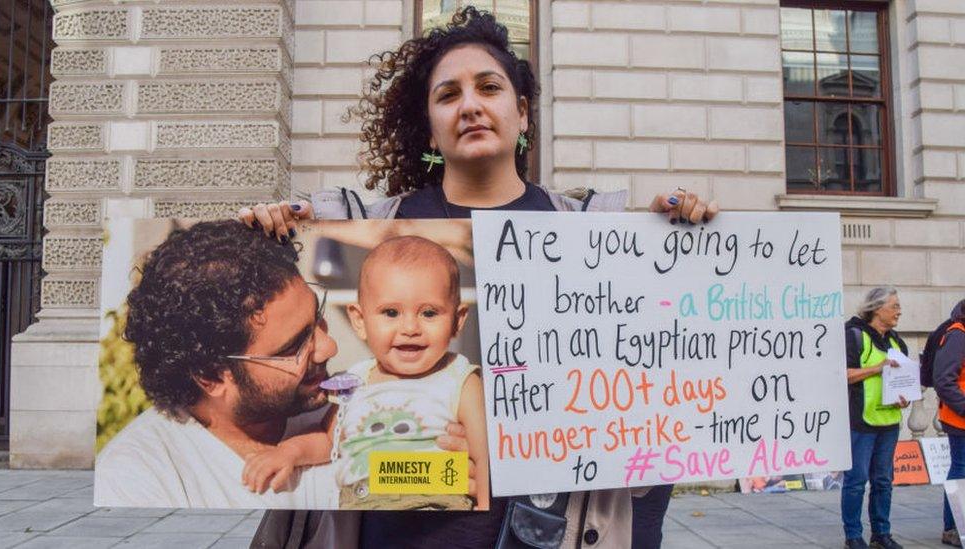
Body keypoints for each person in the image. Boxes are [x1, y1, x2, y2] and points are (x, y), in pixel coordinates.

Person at [241, 7, 717, 548]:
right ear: (429, 125)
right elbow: (319, 427)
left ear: (521, 112)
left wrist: (677, 247)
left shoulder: (594, 235)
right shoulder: (373, 225)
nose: (469, 105)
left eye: (488, 88)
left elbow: (652, 386)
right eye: (448, 95)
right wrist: (269, 237)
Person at [94, 221, 470, 514]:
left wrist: (452, 469)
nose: (329, 346)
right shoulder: (140, 476)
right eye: (294, 347)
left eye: (318, 319)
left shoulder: (354, 403)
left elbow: (390, 484)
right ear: (210, 376)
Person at [241, 235, 489, 511]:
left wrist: (485, 509)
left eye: (429, 313)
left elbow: (484, 455)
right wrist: (288, 453)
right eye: (391, 313)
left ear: (457, 321)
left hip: (435, 504)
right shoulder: (356, 381)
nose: (410, 328)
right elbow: (331, 440)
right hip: (359, 508)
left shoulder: (460, 379)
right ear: (359, 320)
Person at [841, 286, 911, 549]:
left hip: (889, 422)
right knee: (856, 481)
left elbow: (904, 380)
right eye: (894, 306)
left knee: (883, 481)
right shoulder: (854, 336)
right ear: (877, 308)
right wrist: (876, 369)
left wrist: (905, 397)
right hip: (861, 421)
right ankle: (853, 536)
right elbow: (843, 374)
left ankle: (881, 533)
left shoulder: (896, 341)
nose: (899, 311)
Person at [933, 299, 965, 547]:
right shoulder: (957, 335)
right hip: (960, 418)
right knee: (960, 471)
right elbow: (944, 380)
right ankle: (952, 527)